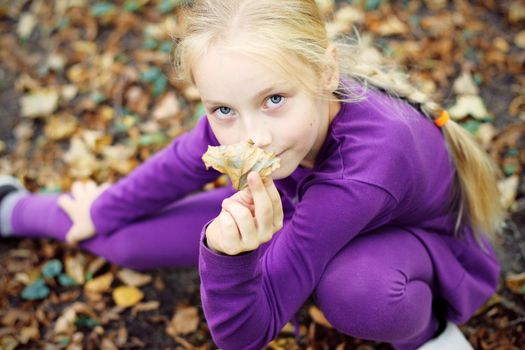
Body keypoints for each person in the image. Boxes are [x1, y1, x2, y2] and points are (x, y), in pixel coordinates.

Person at [0, 0, 506, 349]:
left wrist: (229, 256)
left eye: (274, 100)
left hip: (405, 246)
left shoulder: (368, 166)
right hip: (305, 218)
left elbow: (246, 333)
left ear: (326, 73)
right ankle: (13, 207)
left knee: (356, 291)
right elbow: (178, 164)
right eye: (222, 109)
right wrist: (99, 209)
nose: (251, 136)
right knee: (124, 240)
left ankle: (428, 335)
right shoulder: (249, 121)